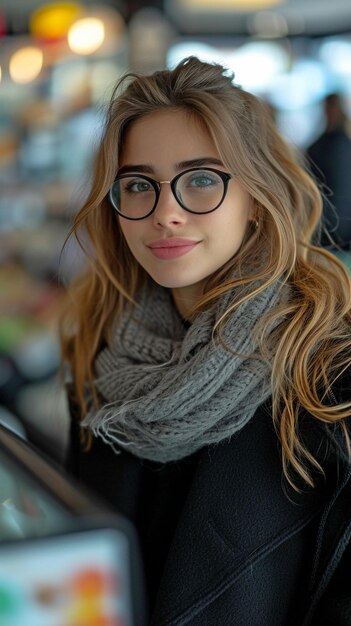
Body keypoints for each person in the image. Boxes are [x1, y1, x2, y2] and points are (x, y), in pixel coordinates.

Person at [60, 57, 351, 625]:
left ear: (256, 196)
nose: (165, 213)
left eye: (200, 179)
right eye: (139, 185)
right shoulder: (99, 350)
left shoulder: (328, 376)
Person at [307, 92, 351, 250]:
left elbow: (339, 187)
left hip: (332, 224)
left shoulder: (334, 145)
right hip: (334, 223)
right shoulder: (340, 141)